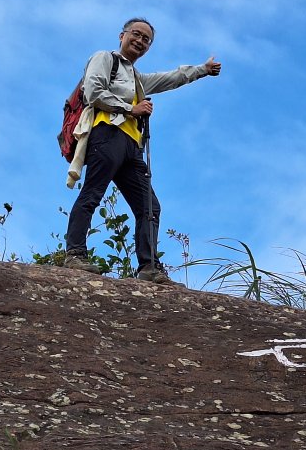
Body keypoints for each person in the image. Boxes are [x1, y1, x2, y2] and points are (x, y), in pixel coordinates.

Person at [63, 18, 221, 281]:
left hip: (131, 146)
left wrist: (202, 69)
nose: (140, 41)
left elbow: (171, 78)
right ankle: (75, 254)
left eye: (147, 39)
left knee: (149, 206)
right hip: (107, 134)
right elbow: (93, 91)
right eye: (136, 34)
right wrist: (130, 108)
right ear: (122, 35)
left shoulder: (137, 79)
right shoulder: (105, 59)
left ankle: (148, 267)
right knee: (93, 192)